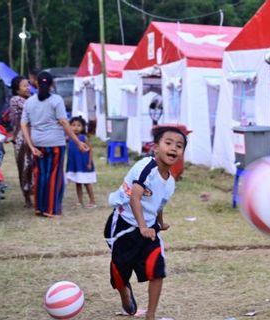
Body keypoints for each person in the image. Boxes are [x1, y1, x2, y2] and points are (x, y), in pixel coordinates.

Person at [104, 126, 187, 320]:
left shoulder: (171, 182)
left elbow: (158, 204)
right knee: (120, 272)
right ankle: (124, 293)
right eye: (168, 143)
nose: (174, 148)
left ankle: (151, 315)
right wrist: (142, 226)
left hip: (149, 229)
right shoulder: (146, 167)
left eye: (179, 145)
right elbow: (135, 197)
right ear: (155, 147)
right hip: (124, 224)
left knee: (157, 269)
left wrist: (160, 223)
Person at [20, 71, 88, 217]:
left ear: (36, 83)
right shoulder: (56, 100)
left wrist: (31, 146)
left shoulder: (29, 102)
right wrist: (78, 142)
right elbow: (64, 122)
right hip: (55, 143)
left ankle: (39, 208)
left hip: (37, 143)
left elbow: (24, 124)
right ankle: (51, 209)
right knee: (54, 176)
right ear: (51, 84)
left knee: (40, 174)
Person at [9, 76, 33, 208]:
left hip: (32, 136)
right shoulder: (16, 100)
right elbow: (32, 109)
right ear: (17, 90)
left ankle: (33, 193)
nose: (28, 87)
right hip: (21, 138)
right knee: (24, 165)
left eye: (28, 85)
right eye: (24, 85)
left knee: (32, 165)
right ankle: (27, 197)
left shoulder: (29, 100)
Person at [66, 116, 97, 208]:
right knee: (78, 183)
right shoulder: (70, 139)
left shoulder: (83, 138)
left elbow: (90, 150)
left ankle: (92, 201)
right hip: (75, 165)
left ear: (83, 127)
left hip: (84, 165)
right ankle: (80, 201)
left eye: (79, 125)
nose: (75, 127)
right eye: (73, 125)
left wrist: (89, 162)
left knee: (87, 183)